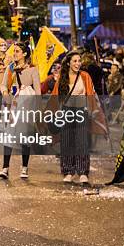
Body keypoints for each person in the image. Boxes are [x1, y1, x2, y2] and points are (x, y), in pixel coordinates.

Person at [50, 51, 108, 184]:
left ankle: (83, 172)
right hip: (66, 113)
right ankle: (68, 171)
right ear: (69, 63)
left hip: (82, 112)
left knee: (82, 142)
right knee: (67, 142)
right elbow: (56, 96)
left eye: (79, 61)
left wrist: (93, 109)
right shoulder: (62, 77)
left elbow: (91, 93)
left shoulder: (85, 76)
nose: (78, 63)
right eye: (75, 61)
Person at [0, 42, 40, 180]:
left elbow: (38, 90)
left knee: (25, 136)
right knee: (9, 135)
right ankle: (5, 167)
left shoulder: (33, 69)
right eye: (14, 51)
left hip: (27, 104)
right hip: (13, 104)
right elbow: (3, 85)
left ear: (25, 54)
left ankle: (24, 168)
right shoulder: (10, 68)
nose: (14, 53)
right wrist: (6, 95)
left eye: (17, 51)